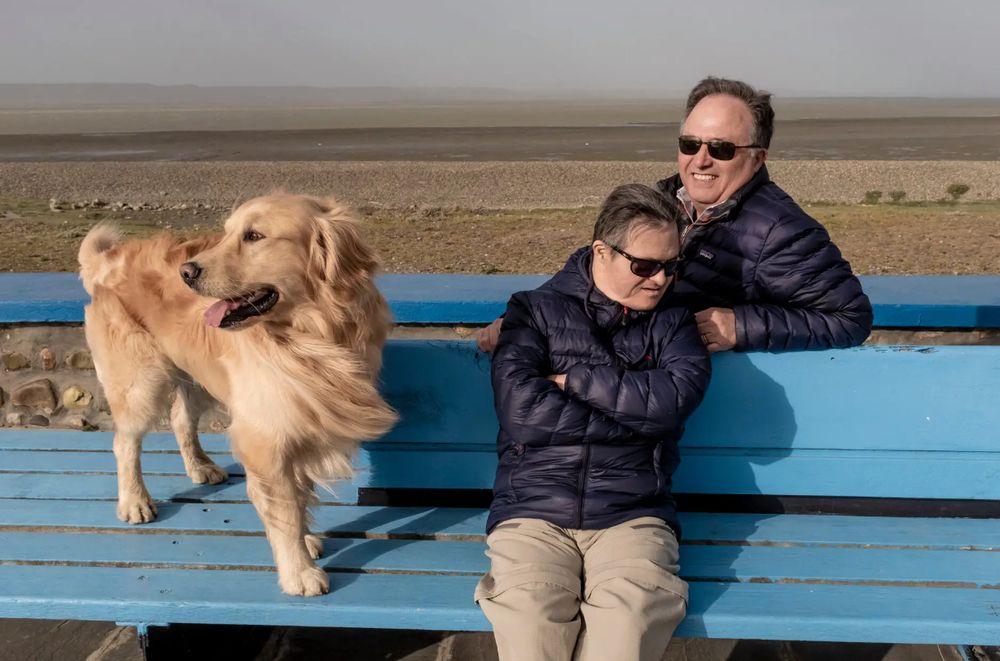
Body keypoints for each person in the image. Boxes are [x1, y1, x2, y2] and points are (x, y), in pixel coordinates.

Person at [475, 184, 711, 661]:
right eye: (645, 265)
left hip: (634, 513)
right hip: (533, 512)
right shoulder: (533, 310)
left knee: (630, 619)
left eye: (672, 265)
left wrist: (574, 380)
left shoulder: (674, 323)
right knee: (528, 616)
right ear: (602, 250)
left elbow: (674, 402)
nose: (661, 279)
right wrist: (636, 413)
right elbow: (523, 412)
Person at [477, 76, 872, 354]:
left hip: (688, 407)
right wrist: (522, 318)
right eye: (690, 143)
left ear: (758, 157)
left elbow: (849, 317)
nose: (701, 160)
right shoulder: (664, 196)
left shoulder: (782, 231)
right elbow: (593, 269)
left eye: (721, 149)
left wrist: (741, 326)